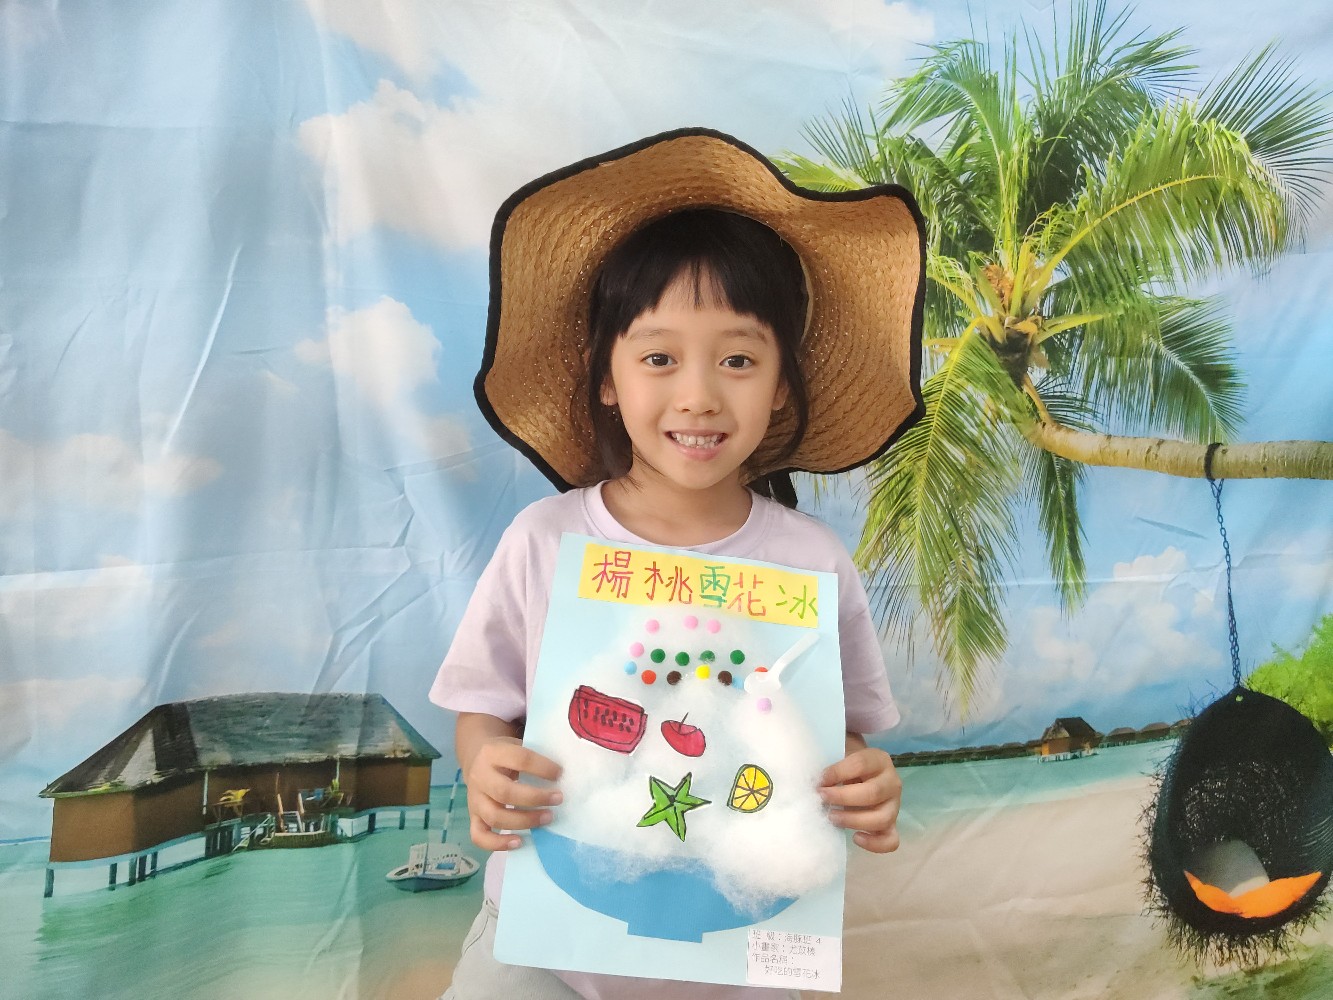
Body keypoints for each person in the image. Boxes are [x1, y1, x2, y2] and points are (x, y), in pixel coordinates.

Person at [430, 128, 925, 1000]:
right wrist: (485, 765)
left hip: (735, 964)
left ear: (781, 382)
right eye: (659, 358)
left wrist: (863, 784)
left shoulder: (810, 561)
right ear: (607, 377)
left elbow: (833, 740)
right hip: (542, 945)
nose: (698, 395)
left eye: (737, 359)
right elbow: (483, 712)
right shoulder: (543, 540)